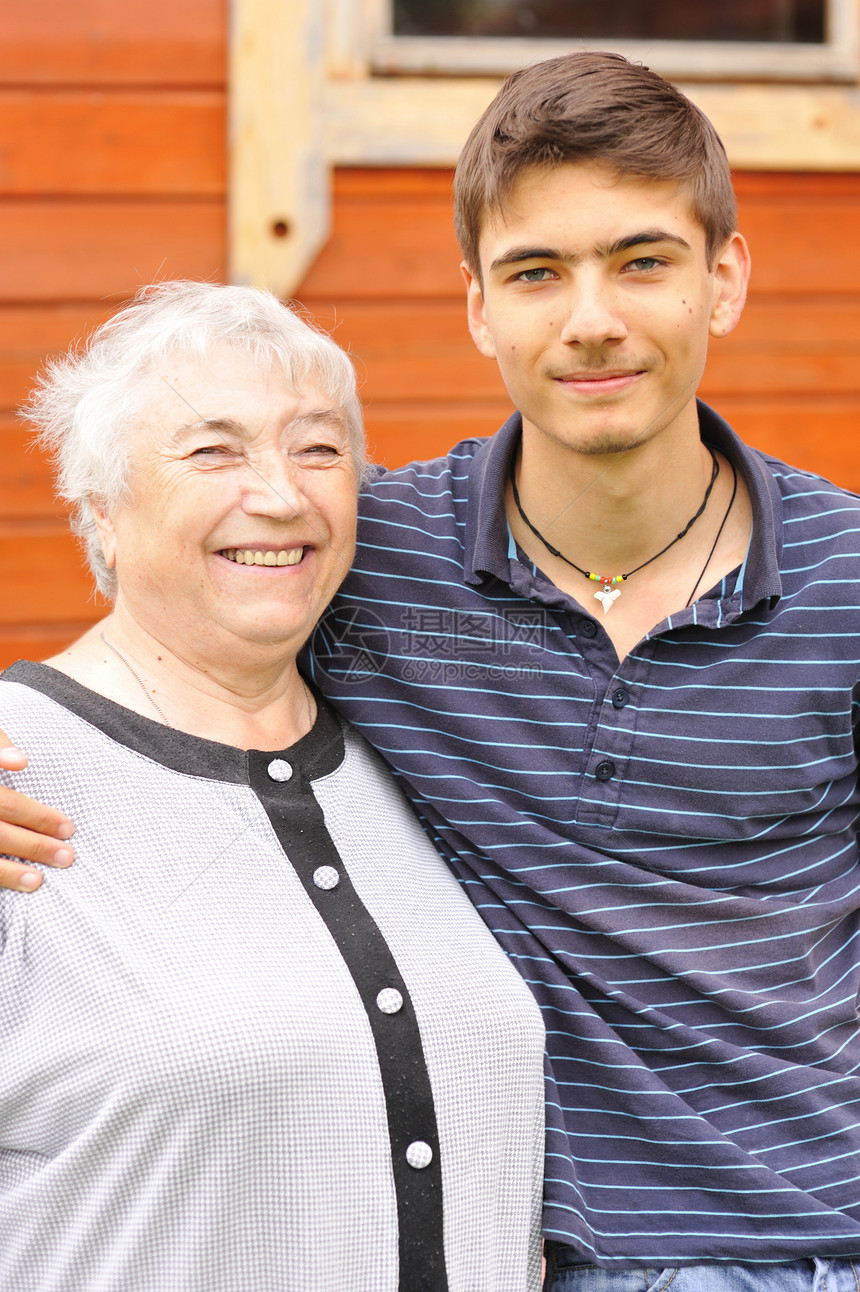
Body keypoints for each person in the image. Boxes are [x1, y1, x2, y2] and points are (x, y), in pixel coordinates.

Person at [2, 48, 860, 1292]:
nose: (591, 319)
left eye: (641, 261)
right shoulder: (363, 557)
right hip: (530, 1251)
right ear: (475, 307)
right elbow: (174, 631)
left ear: (721, 279)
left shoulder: (845, 576)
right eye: (534, 273)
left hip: (808, 1246)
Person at [0, 280, 545, 1291]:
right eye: (213, 450)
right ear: (101, 509)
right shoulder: (18, 778)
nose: (282, 494)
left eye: (318, 447)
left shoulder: (422, 760)